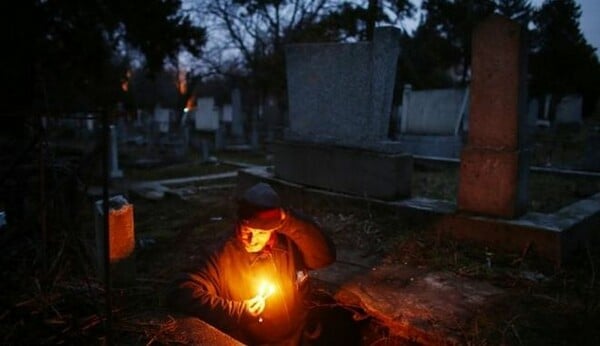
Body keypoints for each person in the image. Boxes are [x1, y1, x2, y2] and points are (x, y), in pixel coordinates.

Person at [166, 182, 336, 345]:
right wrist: (238, 311)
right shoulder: (223, 255)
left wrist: (287, 219)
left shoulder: (289, 246)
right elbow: (181, 292)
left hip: (297, 340)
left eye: (261, 232)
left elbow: (324, 257)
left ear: (275, 229)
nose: (252, 239)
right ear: (238, 223)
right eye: (247, 230)